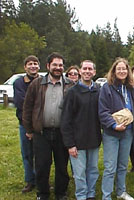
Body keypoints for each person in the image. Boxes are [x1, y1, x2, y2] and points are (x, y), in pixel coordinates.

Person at [23, 52, 75, 200]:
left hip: (62, 133)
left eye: (60, 65)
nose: (58, 68)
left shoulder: (70, 85)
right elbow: (28, 107)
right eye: (55, 65)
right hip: (41, 133)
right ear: (48, 66)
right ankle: (43, 193)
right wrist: (29, 129)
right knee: (42, 165)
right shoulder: (37, 84)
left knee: (61, 166)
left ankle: (61, 193)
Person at [61, 60, 102, 200]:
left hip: (94, 139)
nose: (87, 71)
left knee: (93, 170)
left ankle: (91, 194)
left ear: (94, 72)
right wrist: (70, 144)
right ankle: (81, 195)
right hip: (77, 142)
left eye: (90, 69)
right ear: (80, 71)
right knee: (79, 173)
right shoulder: (72, 92)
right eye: (85, 68)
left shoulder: (98, 90)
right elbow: (65, 120)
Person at [98, 58, 134, 200]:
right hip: (112, 133)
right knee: (110, 167)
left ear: (128, 71)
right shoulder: (107, 88)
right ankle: (106, 196)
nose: (122, 71)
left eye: (124, 69)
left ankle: (121, 192)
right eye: (119, 69)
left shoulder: (130, 88)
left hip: (128, 132)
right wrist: (114, 125)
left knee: (122, 165)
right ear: (114, 71)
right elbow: (102, 112)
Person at [13, 55, 40, 193]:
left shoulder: (43, 81)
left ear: (39, 66)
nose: (33, 66)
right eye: (30, 64)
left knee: (41, 155)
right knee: (27, 154)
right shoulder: (19, 83)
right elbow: (21, 103)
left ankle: (41, 180)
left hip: (41, 124)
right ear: (25, 67)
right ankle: (30, 181)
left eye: (35, 63)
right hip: (25, 124)